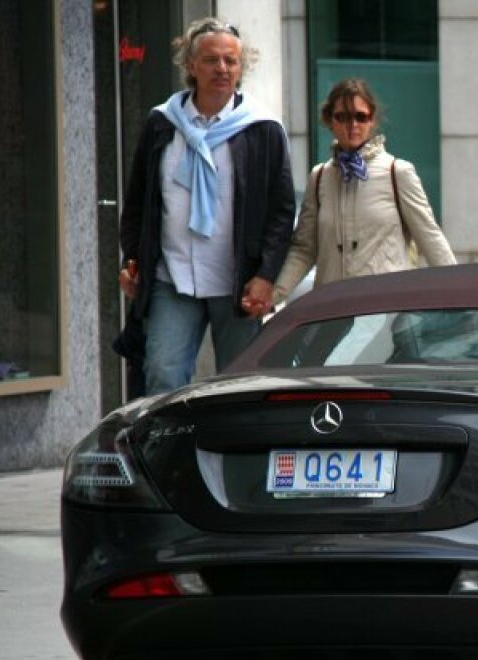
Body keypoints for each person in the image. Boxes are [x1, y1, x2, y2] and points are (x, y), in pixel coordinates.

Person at [117, 17, 295, 395]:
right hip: (173, 276)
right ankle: (171, 454)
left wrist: (266, 275)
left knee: (239, 388)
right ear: (191, 65)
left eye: (231, 61)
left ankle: (230, 455)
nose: (222, 69)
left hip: (237, 283)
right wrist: (133, 258)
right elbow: (138, 202)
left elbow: (281, 212)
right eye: (212, 60)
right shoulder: (162, 124)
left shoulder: (262, 129)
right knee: (162, 376)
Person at [254, 77, 455, 314]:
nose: (353, 125)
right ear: (330, 120)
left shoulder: (397, 172)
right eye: (343, 117)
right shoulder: (320, 177)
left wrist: (459, 294)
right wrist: (272, 296)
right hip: (332, 311)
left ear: (372, 121)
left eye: (361, 117)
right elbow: (304, 250)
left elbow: (430, 237)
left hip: (384, 311)